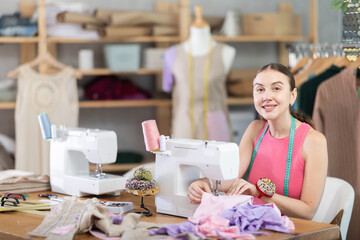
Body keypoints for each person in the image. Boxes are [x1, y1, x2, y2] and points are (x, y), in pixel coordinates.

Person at [187, 63, 328, 220]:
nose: (266, 97)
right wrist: (203, 183)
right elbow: (230, 176)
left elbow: (308, 211)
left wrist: (258, 193)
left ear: (292, 96)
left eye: (276, 88)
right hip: (254, 224)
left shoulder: (314, 141)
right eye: (260, 89)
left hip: (295, 230)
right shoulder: (255, 130)